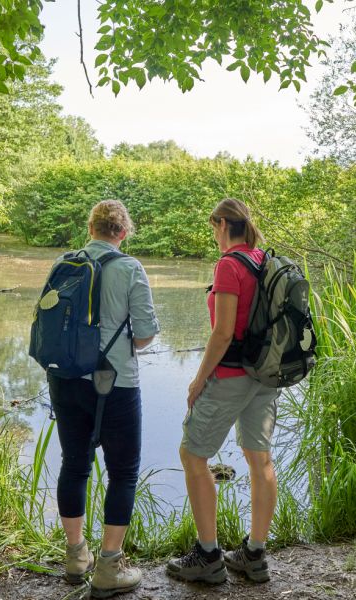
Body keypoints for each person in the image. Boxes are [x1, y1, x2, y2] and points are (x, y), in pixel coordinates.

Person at [47, 200, 160, 599]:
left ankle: (76, 557)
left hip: (64, 376)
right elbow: (145, 334)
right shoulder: (129, 268)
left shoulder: (64, 263)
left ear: (90, 228)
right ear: (122, 234)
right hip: (117, 383)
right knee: (123, 472)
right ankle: (109, 567)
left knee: (74, 465)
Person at [166, 198, 280, 584]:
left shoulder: (230, 265)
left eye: (213, 227)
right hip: (264, 375)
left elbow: (223, 331)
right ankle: (254, 555)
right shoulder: (263, 259)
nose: (213, 234)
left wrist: (199, 380)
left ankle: (208, 557)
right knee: (259, 458)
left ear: (220, 223)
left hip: (231, 375)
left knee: (192, 454)